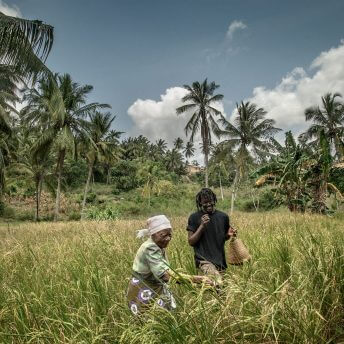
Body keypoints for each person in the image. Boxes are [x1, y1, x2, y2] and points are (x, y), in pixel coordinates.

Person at [127, 214, 212, 316]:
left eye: (170, 235)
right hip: (145, 289)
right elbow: (165, 275)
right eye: (163, 235)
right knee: (149, 319)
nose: (168, 239)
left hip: (155, 287)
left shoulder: (158, 246)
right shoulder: (150, 248)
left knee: (163, 318)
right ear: (153, 234)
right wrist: (198, 279)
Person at [186, 188, 237, 285]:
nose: (208, 204)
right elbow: (191, 242)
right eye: (205, 202)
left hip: (220, 261)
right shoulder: (194, 217)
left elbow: (223, 238)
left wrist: (229, 235)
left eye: (211, 201)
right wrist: (202, 226)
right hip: (204, 261)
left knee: (222, 291)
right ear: (200, 203)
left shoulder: (223, 217)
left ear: (214, 200)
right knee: (217, 281)